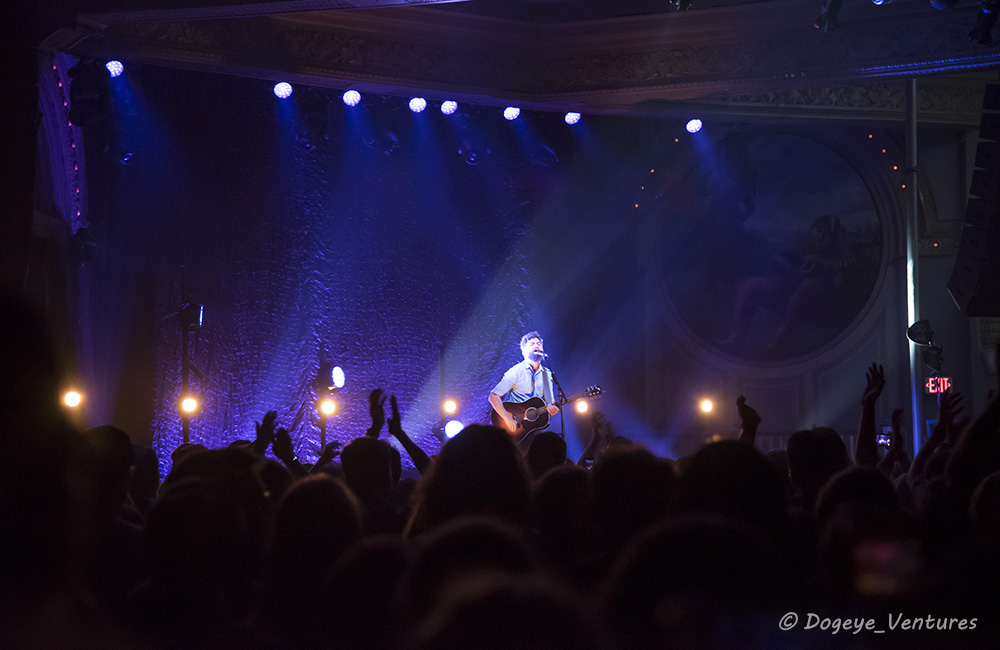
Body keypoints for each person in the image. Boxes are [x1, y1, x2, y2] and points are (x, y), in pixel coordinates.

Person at [488, 331, 559, 434]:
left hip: (535, 427)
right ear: (524, 351)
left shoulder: (547, 374)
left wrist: (553, 409)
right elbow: (493, 396)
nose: (537, 345)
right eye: (532, 344)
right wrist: (507, 418)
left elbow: (549, 403)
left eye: (539, 344)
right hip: (514, 427)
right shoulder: (516, 371)